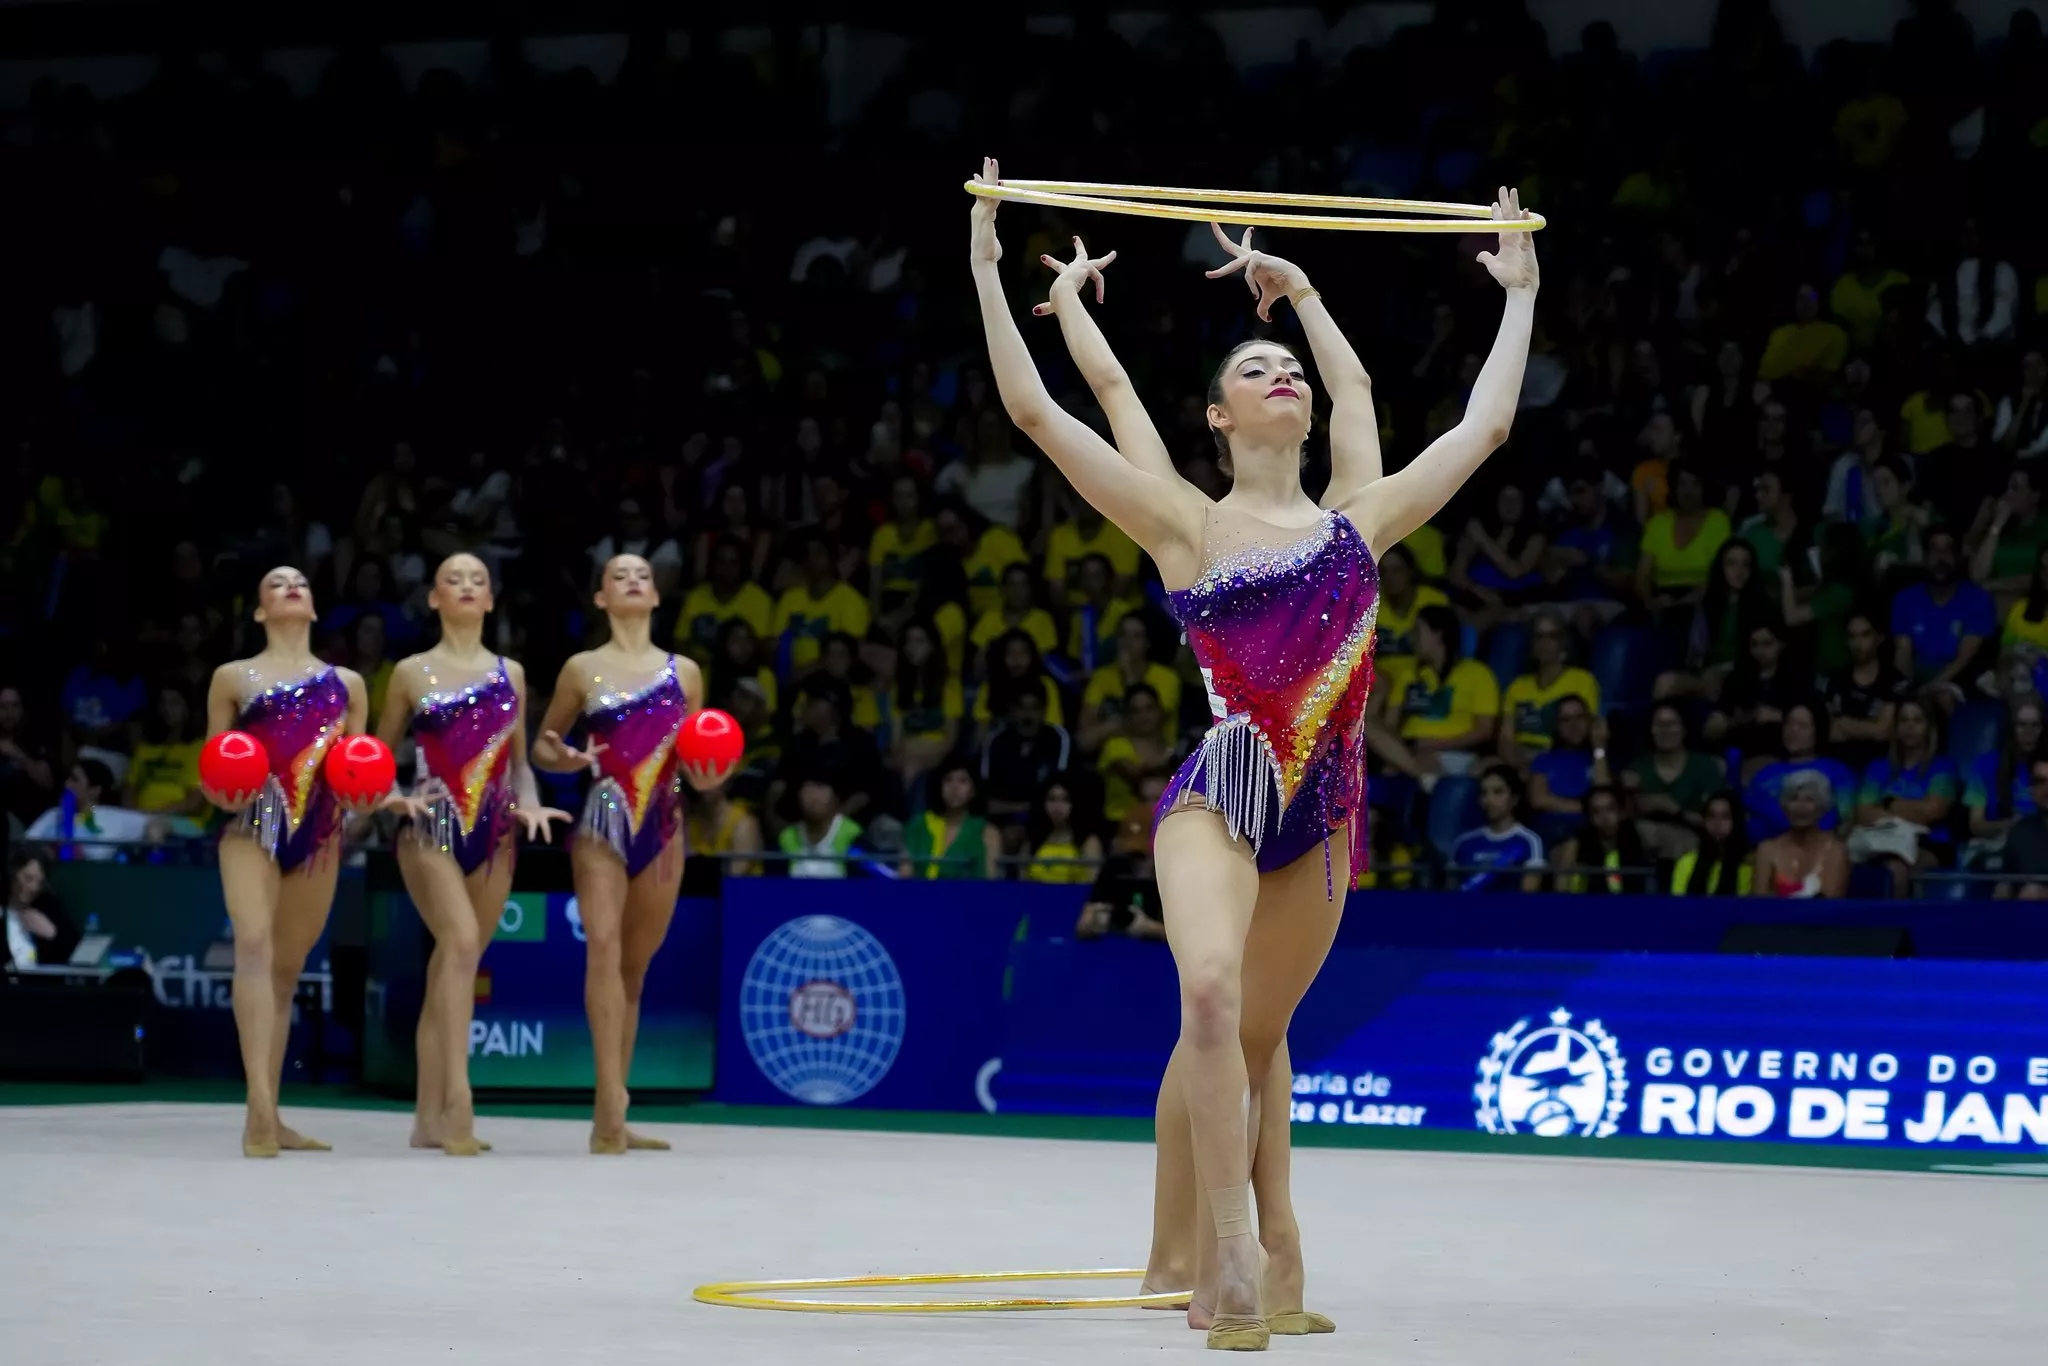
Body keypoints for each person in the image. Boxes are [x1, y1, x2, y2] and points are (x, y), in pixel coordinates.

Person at [984, 164, 1536, 1344]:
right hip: (1223, 791)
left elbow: (1479, 422)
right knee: (1210, 991)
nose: (1279, 372)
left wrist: (1511, 287)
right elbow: (1055, 411)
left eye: (1282, 365)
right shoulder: (1186, 525)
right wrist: (994, 266)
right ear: (1220, 420)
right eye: (1252, 368)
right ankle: (1227, 1259)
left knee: (1254, 1037)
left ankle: (1267, 1244)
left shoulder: (1361, 521)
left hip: (1326, 809)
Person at [532, 555, 733, 1154]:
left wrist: (707, 780)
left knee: (635, 970)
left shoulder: (686, 673)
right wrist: (559, 758)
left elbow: (701, 758)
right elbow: (544, 744)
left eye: (642, 574)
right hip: (603, 819)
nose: (633, 580)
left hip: (665, 824)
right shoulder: (582, 668)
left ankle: (611, 1117)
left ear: (656, 596)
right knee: (603, 946)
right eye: (619, 575)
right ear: (601, 598)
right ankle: (607, 1100)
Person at [372, 555, 570, 1156]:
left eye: (476, 580)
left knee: (452, 969)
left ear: (489, 601)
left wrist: (531, 803)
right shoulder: (409, 672)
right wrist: (392, 796)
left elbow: (518, 764)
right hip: (429, 824)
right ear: (433, 598)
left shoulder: (510, 674)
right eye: (452, 579)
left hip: (496, 832)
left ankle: (425, 1120)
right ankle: (459, 1101)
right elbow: (375, 758)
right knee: (458, 944)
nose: (465, 586)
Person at [202, 566, 374, 1157]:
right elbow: (213, 767)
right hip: (250, 828)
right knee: (253, 945)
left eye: (299, 582)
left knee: (284, 973)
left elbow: (357, 768)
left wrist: (373, 798)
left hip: (319, 837)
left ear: (315, 609)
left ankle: (271, 1112)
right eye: (275, 584)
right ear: (258, 612)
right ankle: (256, 1110)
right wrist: (218, 794)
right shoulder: (233, 677)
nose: (290, 587)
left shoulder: (347, 684)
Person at [1368, 604, 1502, 780]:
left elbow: (1484, 730)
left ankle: (1421, 775)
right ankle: (1422, 775)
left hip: (1455, 753)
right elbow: (1391, 724)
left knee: (1402, 770)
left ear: (1438, 634)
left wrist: (1434, 744)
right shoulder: (1409, 675)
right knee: (1366, 725)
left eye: (1417, 631)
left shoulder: (1478, 673)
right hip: (1411, 751)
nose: (1411, 638)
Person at [1850, 698, 1958, 897]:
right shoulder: (1877, 767)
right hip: (1881, 839)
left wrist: (1888, 803)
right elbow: (1863, 813)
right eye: (1904, 720)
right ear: (1896, 727)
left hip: (1929, 843)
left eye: (1917, 721)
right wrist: (1910, 812)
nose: (1910, 727)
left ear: (1929, 728)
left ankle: (1891, 927)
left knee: (1896, 869)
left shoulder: (1943, 768)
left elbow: (1932, 811)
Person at [1892, 528, 1994, 712]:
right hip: (1919, 672)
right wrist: (1908, 687)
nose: (1941, 557)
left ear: (1958, 557)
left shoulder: (1978, 599)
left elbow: (1965, 657)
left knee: (1944, 697)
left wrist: (1931, 688)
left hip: (1960, 676)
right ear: (1924, 557)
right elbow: (1903, 651)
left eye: (1948, 550)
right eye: (1934, 550)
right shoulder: (1905, 598)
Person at [1496, 610, 1600, 769]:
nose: (1545, 643)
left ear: (1562, 642)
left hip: (1561, 755)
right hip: (1521, 757)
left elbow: (1585, 733)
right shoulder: (1517, 686)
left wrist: (1541, 764)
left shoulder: (1583, 681)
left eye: (1552, 636)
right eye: (1539, 637)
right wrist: (1517, 763)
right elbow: (1506, 739)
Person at [1743, 703, 1860, 840]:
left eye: (1803, 726)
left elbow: (1845, 820)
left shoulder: (1837, 771)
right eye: (1789, 724)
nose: (1793, 730)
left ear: (1818, 731)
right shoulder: (1765, 774)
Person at [1080, 612, 1182, 751]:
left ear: (1147, 643)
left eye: (1136, 636)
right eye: (1123, 635)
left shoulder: (1167, 678)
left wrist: (1128, 675)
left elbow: (1148, 727)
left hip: (1156, 757)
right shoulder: (1101, 677)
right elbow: (1084, 737)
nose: (1127, 643)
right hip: (1112, 759)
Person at [1820, 613, 1905, 771]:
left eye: (1865, 635)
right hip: (1836, 764)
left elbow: (1883, 732)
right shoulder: (1835, 679)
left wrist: (1842, 722)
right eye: (1852, 636)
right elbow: (1828, 730)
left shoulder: (1895, 680)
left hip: (1880, 766)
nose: (1858, 643)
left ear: (1879, 638)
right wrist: (1870, 728)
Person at [1752, 769, 1850, 899]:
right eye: (1793, 799)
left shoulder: (1836, 851)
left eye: (1809, 800)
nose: (1800, 806)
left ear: (1822, 807)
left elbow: (1831, 907)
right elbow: (1758, 906)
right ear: (1785, 806)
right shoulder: (1767, 850)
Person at [1450, 765, 1547, 892]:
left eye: (1498, 792)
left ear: (1514, 799)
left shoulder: (1530, 841)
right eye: (1484, 793)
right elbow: (1451, 894)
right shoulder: (1463, 843)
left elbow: (1527, 898)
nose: (1489, 800)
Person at [900, 760, 1000, 879]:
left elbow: (992, 884)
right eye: (948, 780)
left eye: (963, 781)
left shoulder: (988, 833)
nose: (954, 787)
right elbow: (905, 876)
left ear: (973, 790)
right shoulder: (919, 826)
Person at [124, 686, 206, 818]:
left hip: (179, 821)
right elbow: (129, 789)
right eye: (162, 702)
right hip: (139, 819)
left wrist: (154, 815)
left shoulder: (199, 749)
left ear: (188, 707)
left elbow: (194, 803)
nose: (167, 709)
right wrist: (135, 817)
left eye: (174, 703)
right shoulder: (145, 748)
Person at [1550, 784, 1648, 894]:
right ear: (1590, 818)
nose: (1604, 817)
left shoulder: (1634, 839)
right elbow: (1562, 883)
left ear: (1621, 812)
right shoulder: (1577, 842)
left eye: (1610, 809)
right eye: (1596, 811)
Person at [2, 850, 77, 969]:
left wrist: (52, 934)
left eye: (39, 883)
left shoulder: (47, 909)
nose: (34, 888)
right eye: (28, 878)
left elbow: (73, 948)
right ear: (13, 874)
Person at [778, 774, 863, 878]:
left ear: (835, 798)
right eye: (808, 789)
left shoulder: (853, 834)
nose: (814, 797)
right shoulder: (787, 836)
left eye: (821, 788)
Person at [1670, 792, 1753, 895]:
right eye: (1711, 816)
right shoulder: (1686, 863)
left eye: (1725, 817)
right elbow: (1678, 907)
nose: (1717, 823)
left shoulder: (1748, 868)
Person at [1022, 779, 1103, 884]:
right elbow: (1022, 882)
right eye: (1051, 799)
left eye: (1065, 800)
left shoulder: (1089, 841)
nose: (1057, 806)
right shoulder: (1032, 840)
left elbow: (1093, 884)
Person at [685, 778, 763, 877]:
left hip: (742, 890)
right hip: (698, 890)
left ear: (727, 783)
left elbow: (739, 870)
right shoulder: (689, 822)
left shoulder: (744, 823)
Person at [1994, 758, 2048, 898]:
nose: (2047, 789)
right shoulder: (2019, 831)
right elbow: (2006, 880)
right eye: (2040, 782)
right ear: (2031, 789)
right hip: (2024, 914)